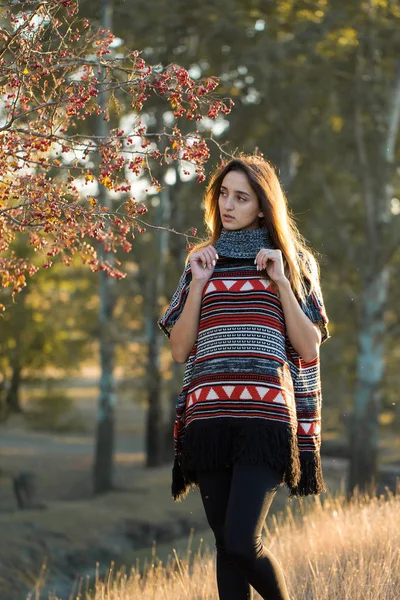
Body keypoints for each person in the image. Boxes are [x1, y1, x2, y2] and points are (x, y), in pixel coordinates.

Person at [157, 154, 330, 600]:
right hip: (209, 420)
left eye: (241, 197)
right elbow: (179, 350)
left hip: (265, 422)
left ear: (262, 205)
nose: (228, 205)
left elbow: (309, 347)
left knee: (240, 541)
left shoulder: (292, 263)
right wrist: (198, 283)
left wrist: (282, 284)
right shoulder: (201, 262)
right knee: (225, 549)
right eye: (223, 194)